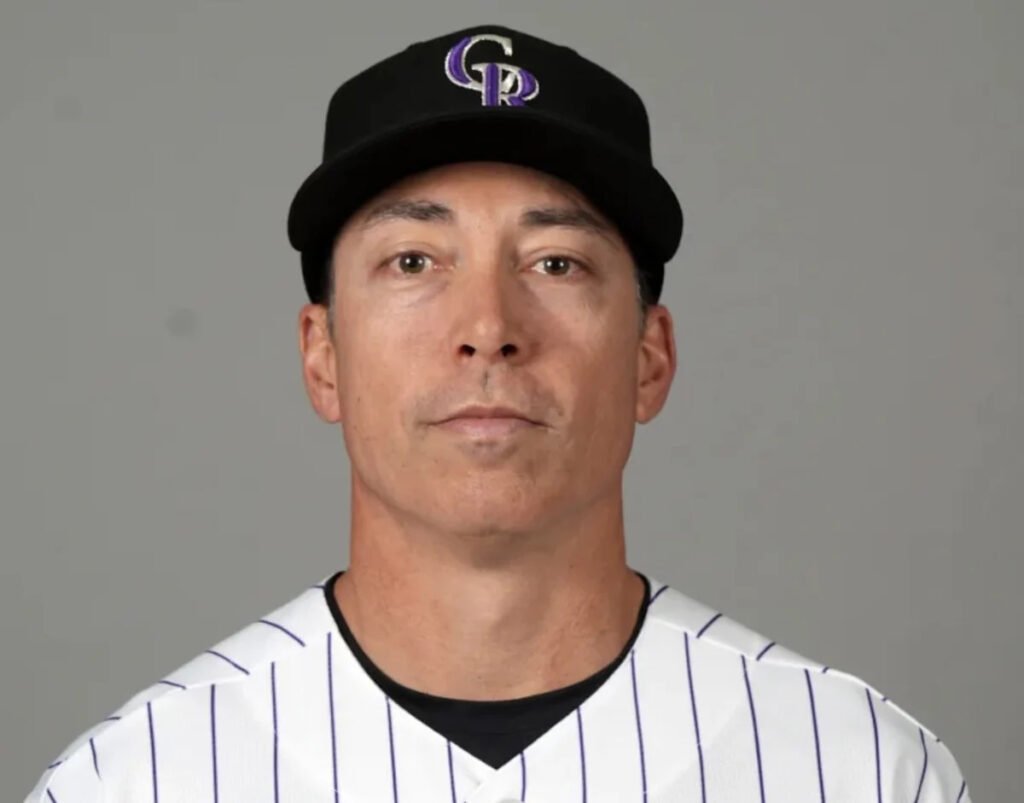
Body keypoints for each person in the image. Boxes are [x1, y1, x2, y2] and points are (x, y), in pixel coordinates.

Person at [28, 23, 971, 802]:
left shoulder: (864, 771)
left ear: (650, 358)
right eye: (413, 262)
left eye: (556, 263)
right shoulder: (133, 780)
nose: (488, 328)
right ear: (323, 357)